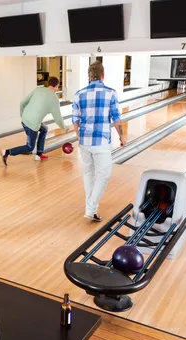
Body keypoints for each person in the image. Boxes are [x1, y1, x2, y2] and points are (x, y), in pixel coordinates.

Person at [72, 61, 126, 222]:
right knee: (103, 175)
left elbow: (75, 119)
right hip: (101, 141)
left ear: (89, 76)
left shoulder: (79, 94)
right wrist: (122, 136)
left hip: (85, 141)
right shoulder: (110, 93)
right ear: (103, 75)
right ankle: (90, 208)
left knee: (89, 174)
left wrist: (79, 137)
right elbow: (116, 118)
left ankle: (91, 208)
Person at [1, 76, 69, 165]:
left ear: (48, 84)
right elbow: (58, 117)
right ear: (56, 86)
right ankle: (7, 152)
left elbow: (22, 103)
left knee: (44, 129)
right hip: (32, 124)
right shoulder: (54, 98)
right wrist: (64, 128)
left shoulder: (38, 90)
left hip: (25, 119)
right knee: (29, 147)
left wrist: (23, 116)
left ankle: (39, 153)